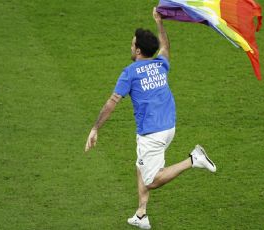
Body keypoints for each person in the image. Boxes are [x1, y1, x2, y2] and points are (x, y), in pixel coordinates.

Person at [84, 8, 216, 229]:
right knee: (140, 164)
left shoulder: (130, 72)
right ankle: (141, 214)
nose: (130, 45)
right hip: (167, 125)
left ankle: (194, 159)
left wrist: (95, 128)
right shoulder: (159, 64)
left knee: (151, 179)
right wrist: (159, 22)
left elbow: (112, 102)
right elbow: (165, 47)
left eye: (132, 43)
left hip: (152, 132)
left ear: (137, 50)